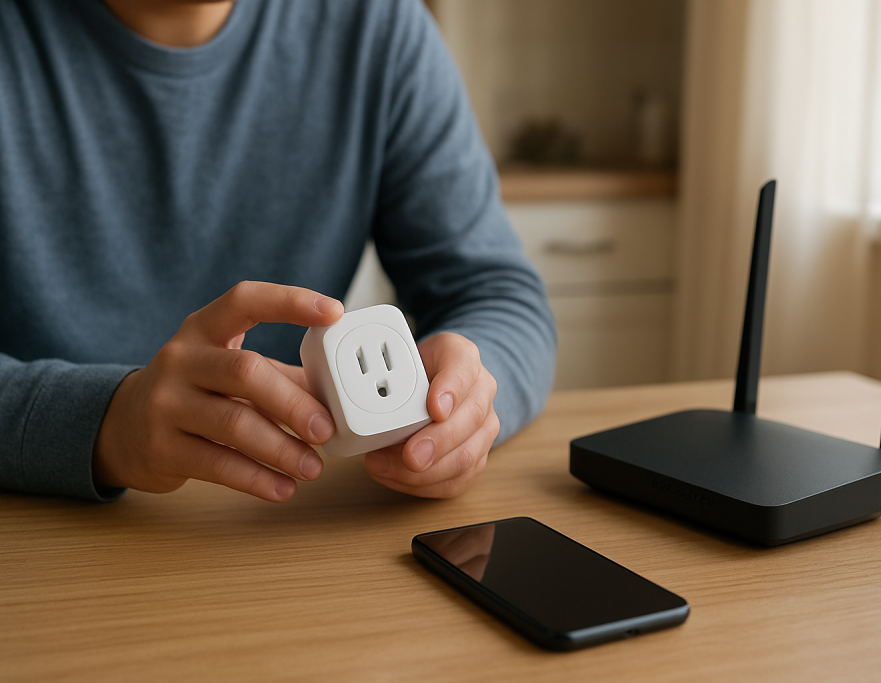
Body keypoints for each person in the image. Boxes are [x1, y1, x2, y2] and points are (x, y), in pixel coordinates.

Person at [0, 0, 556, 503]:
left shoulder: (376, 28)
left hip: (296, 527)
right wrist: (105, 422)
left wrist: (468, 405)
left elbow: (499, 297)